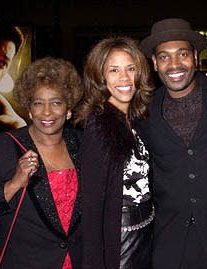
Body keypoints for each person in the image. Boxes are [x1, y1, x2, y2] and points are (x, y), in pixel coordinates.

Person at [0, 57, 83, 268]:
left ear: (69, 109)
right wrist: (13, 184)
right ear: (29, 109)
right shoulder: (2, 148)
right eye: (38, 103)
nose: (47, 112)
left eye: (56, 102)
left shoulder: (84, 144)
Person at [139, 18, 207, 269]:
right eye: (164, 57)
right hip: (169, 244)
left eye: (182, 54)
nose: (174, 64)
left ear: (195, 56)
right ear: (154, 63)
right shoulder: (143, 112)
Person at [75, 36, 154, 268]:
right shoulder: (99, 125)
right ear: (100, 77)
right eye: (114, 70)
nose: (124, 78)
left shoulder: (136, 120)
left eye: (130, 69)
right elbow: (92, 203)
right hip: (119, 239)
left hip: (146, 232)